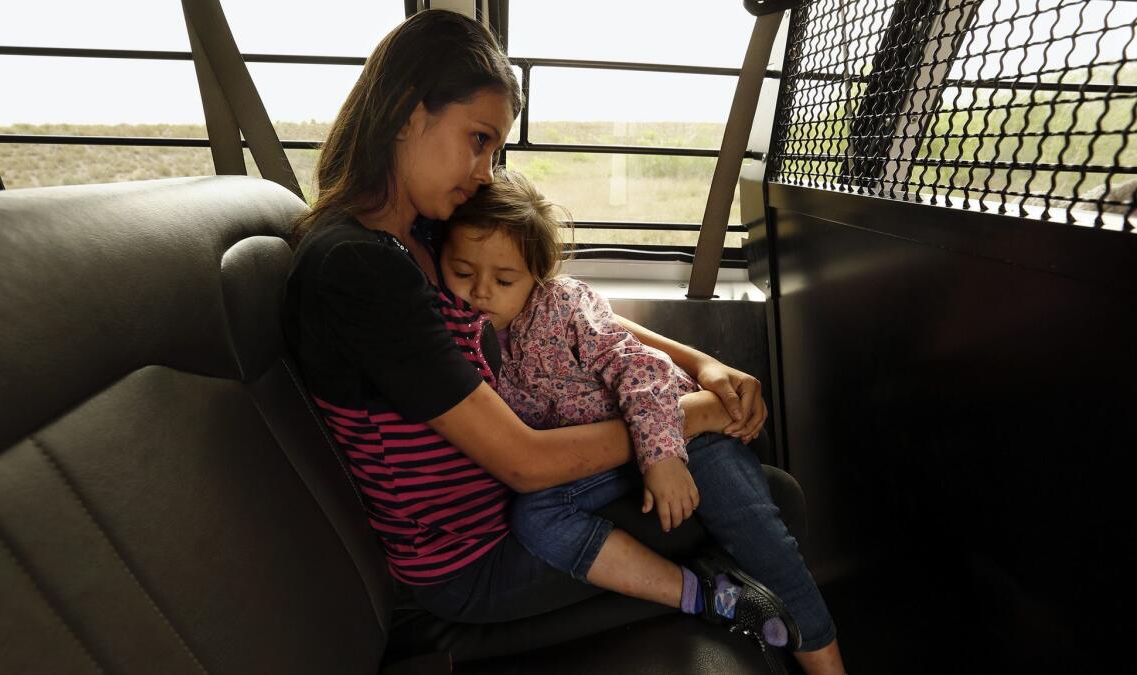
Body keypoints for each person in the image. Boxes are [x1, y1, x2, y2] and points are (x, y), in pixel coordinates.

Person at [281, 8, 840, 673]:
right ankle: (750, 614)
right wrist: (695, 414)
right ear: (409, 110)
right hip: (477, 561)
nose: (485, 170)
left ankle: (765, 613)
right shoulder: (357, 267)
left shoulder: (426, 234)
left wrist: (702, 364)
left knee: (750, 480)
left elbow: (560, 308)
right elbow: (526, 463)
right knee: (768, 493)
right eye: (478, 139)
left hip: (516, 507)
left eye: (494, 149)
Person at [437, 168, 846, 674]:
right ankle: (702, 592)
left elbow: (642, 368)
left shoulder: (563, 306)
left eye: (503, 280)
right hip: (601, 460)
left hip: (681, 435)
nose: (480, 292)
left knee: (760, 536)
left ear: (536, 275)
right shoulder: (459, 332)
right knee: (536, 517)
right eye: (461, 272)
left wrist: (664, 456)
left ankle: (826, 660)